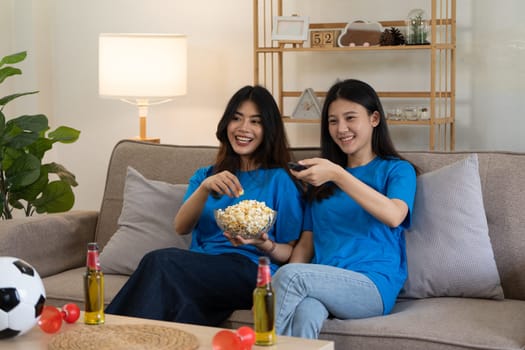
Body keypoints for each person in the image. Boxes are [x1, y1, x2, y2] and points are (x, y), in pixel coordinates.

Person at [105, 85, 304, 326]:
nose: (243, 128)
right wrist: (204, 188)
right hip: (201, 267)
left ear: (268, 129)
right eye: (236, 119)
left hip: (250, 269)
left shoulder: (280, 180)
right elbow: (181, 227)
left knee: (160, 261)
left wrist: (264, 243)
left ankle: (103, 335)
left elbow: (289, 252)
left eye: (255, 121)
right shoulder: (207, 176)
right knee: (183, 307)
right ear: (226, 125)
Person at [273, 79, 418, 338]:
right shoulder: (320, 179)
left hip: (372, 285)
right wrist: (285, 276)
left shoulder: (396, 170)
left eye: (350, 118)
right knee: (304, 313)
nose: (341, 129)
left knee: (290, 278)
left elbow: (394, 215)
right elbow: (306, 244)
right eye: (332, 121)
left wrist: (339, 175)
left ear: (374, 119)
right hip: (324, 281)